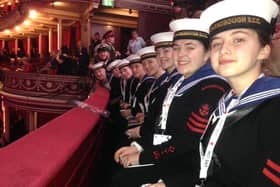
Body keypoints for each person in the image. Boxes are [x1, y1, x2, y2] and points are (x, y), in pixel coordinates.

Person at [111, 18, 229, 187]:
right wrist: (139, 146)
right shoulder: (179, 82)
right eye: (176, 48)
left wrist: (143, 155)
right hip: (172, 157)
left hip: (189, 167)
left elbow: (190, 142)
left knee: (122, 179)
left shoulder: (212, 86)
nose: (181, 54)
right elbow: (162, 128)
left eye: (190, 47)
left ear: (208, 53)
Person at [197, 0, 280, 187]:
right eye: (216, 44)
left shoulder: (275, 106)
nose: (224, 49)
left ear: (263, 51)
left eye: (238, 39)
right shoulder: (227, 101)